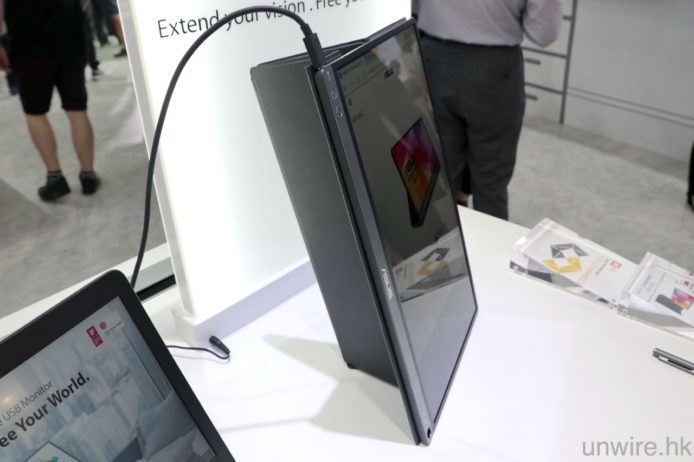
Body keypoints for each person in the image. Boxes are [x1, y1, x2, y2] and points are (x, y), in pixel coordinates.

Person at [414, 0, 563, 220]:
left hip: (433, 60)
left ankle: (441, 236)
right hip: (493, 71)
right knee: (490, 182)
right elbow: (544, 32)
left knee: (439, 176)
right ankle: (486, 238)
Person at [0, 0, 100, 202]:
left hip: (28, 44)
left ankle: (55, 178)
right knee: (77, 109)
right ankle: (88, 175)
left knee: (35, 112)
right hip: (70, 37)